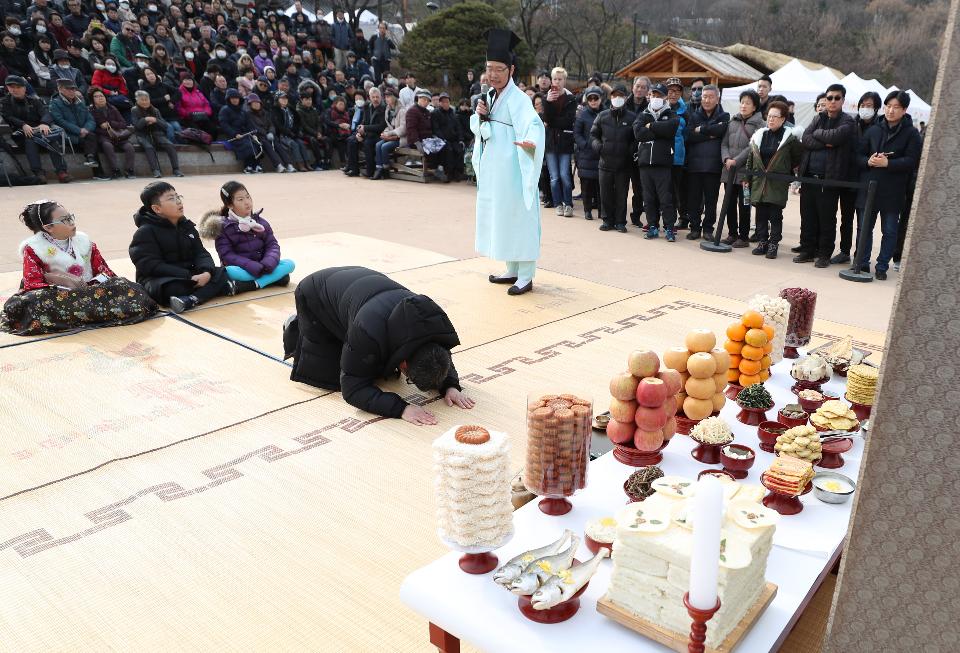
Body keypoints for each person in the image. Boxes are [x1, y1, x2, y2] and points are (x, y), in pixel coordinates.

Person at [282, 266, 474, 425]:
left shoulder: (431, 320)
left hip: (361, 288)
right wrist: (402, 409)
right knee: (331, 377)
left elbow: (439, 354)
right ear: (405, 364)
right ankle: (295, 325)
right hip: (316, 294)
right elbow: (352, 389)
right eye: (409, 378)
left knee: (376, 366)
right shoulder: (368, 330)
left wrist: (450, 386)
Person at [2, 199, 156, 336]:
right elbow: (31, 284)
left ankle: (79, 314)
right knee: (32, 302)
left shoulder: (84, 242)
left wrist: (91, 284)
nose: (71, 222)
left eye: (71, 217)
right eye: (65, 220)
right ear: (49, 227)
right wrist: (58, 281)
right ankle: (94, 312)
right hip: (60, 297)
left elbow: (105, 271)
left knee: (127, 287)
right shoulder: (34, 248)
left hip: (92, 292)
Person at [472, 30, 544, 296]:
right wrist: (481, 118)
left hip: (514, 168)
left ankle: (526, 275)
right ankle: (511, 268)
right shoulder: (490, 96)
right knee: (503, 217)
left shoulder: (519, 99)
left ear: (511, 70)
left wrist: (531, 143)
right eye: (489, 69)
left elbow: (533, 125)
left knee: (520, 218)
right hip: (496, 170)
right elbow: (485, 130)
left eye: (499, 69)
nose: (493, 74)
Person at [130, 181, 255, 313]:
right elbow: (150, 265)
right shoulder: (145, 232)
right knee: (170, 288)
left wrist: (206, 272)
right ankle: (218, 289)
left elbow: (201, 253)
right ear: (157, 209)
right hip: (162, 279)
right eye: (171, 199)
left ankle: (191, 299)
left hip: (192, 276)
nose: (178, 201)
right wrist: (188, 276)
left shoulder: (187, 226)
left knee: (222, 272)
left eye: (178, 197)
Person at [853, 90, 922, 280]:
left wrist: (889, 163)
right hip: (869, 186)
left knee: (890, 230)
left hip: (894, 190)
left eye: (896, 107)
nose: (891, 110)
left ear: (904, 110)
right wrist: (868, 161)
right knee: (863, 228)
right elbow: (857, 156)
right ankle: (862, 262)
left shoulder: (912, 134)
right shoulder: (873, 129)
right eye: (888, 106)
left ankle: (882, 266)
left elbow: (912, 161)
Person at [795, 83, 856, 267]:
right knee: (807, 217)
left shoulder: (848, 121)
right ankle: (807, 250)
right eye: (829, 98)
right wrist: (825, 140)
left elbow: (836, 137)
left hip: (829, 179)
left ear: (843, 100)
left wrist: (819, 135)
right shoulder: (818, 118)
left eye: (837, 98)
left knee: (827, 219)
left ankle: (824, 254)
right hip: (808, 176)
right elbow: (806, 138)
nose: (832, 101)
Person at [198, 180, 296, 290]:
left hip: (263, 265)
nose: (247, 202)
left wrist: (269, 262)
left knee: (289, 264)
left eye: (248, 197)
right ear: (230, 204)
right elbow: (227, 255)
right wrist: (250, 265)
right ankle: (270, 279)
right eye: (240, 199)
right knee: (229, 271)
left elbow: (272, 244)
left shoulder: (261, 222)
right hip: (242, 269)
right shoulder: (223, 227)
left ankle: (253, 284)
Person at [745, 100, 803, 260]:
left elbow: (797, 158)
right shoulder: (759, 135)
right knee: (760, 214)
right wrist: (746, 177)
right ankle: (762, 241)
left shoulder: (789, 138)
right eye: (769, 116)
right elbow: (751, 157)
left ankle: (773, 244)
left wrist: (786, 171)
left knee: (775, 215)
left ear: (783, 119)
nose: (771, 119)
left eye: (775, 116)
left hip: (777, 183)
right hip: (759, 182)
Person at [833, 91, 882, 265]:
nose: (865, 109)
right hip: (848, 178)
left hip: (867, 181)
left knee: (864, 223)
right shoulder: (851, 123)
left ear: (876, 108)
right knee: (846, 219)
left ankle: (860, 257)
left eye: (869, 106)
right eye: (863, 105)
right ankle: (844, 251)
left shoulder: (880, 127)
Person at [1, 75, 71, 183]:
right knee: (30, 141)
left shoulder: (34, 100)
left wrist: (44, 123)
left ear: (24, 88)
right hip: (20, 133)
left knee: (51, 139)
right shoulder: (5, 101)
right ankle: (38, 173)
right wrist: (23, 124)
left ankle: (61, 171)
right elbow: (8, 116)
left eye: (18, 87)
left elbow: (46, 113)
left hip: (39, 131)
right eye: (11, 87)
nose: (14, 90)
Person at [633, 83, 679, 241]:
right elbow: (638, 134)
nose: (656, 98)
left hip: (663, 164)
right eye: (654, 95)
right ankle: (652, 226)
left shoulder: (671, 114)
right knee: (649, 198)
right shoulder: (643, 114)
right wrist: (659, 132)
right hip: (645, 163)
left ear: (665, 97)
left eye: (659, 95)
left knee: (665, 198)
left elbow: (671, 129)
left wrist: (651, 126)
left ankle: (669, 228)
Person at [719, 89, 765, 246]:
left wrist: (736, 161)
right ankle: (732, 233)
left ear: (755, 107)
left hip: (746, 174)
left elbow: (753, 147)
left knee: (744, 203)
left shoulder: (760, 125)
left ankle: (743, 237)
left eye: (748, 103)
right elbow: (724, 143)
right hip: (729, 171)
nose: (744, 105)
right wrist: (726, 158)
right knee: (729, 203)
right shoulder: (733, 121)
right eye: (742, 102)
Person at [683, 84, 729, 239]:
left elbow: (721, 131)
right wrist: (711, 133)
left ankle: (708, 229)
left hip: (713, 166)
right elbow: (689, 136)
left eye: (710, 97)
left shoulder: (724, 116)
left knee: (711, 200)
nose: (707, 100)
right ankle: (694, 228)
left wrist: (701, 130)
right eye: (704, 97)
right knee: (693, 200)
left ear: (717, 99)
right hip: (694, 165)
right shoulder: (694, 116)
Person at [590, 83, 635, 233]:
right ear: (611, 97)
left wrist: (629, 151)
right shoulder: (602, 116)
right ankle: (607, 220)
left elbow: (636, 139)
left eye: (620, 96)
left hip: (623, 164)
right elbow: (593, 135)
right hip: (605, 163)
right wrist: (599, 147)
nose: (617, 98)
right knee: (605, 193)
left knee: (622, 194)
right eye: (614, 95)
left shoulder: (632, 117)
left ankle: (620, 222)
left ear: (625, 98)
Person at [543, 66, 577, 216]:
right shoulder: (547, 98)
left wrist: (552, 122)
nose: (557, 81)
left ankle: (568, 203)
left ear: (564, 81)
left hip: (565, 142)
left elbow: (568, 121)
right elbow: (547, 119)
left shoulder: (571, 99)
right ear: (552, 80)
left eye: (560, 79)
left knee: (565, 175)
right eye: (555, 79)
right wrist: (548, 103)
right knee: (554, 177)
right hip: (550, 142)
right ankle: (558, 204)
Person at [48, 77, 100, 168]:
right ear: (59, 89)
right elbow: (60, 121)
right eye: (68, 89)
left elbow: (90, 119)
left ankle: (91, 159)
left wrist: (86, 129)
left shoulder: (80, 102)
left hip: (84, 133)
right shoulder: (55, 103)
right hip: (67, 135)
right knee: (91, 140)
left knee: (92, 137)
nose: (71, 91)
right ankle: (95, 167)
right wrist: (79, 130)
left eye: (73, 89)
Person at [131, 89, 182, 178]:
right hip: (142, 135)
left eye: (146, 99)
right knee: (149, 147)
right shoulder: (134, 110)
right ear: (137, 100)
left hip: (157, 133)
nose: (144, 102)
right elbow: (137, 126)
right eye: (142, 100)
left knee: (170, 145)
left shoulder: (155, 110)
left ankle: (176, 169)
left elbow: (165, 125)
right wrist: (145, 120)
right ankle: (155, 170)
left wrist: (155, 120)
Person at [90, 86, 136, 178]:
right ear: (92, 99)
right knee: (107, 145)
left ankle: (129, 170)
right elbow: (92, 128)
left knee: (129, 147)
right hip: (104, 136)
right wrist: (101, 127)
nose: (100, 98)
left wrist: (111, 123)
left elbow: (123, 124)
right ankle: (115, 170)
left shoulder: (112, 108)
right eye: (96, 96)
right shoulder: (90, 111)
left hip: (118, 135)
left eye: (101, 96)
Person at [624, 76, 650, 227]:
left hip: (640, 152)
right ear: (632, 87)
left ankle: (636, 215)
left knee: (638, 189)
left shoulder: (649, 107)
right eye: (637, 86)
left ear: (647, 90)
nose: (639, 89)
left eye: (643, 87)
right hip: (622, 150)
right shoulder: (623, 104)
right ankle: (619, 215)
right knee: (620, 186)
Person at [574, 86, 602, 221]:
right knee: (586, 186)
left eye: (596, 98)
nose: (593, 101)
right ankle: (587, 210)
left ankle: (602, 211)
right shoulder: (582, 115)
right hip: (586, 155)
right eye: (590, 98)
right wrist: (584, 145)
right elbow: (577, 133)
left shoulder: (605, 113)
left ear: (601, 99)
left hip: (602, 154)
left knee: (601, 187)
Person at [345, 85, 386, 177]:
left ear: (381, 97)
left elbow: (381, 126)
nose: (375, 99)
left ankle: (370, 171)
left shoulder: (383, 108)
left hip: (378, 134)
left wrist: (365, 128)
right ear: (369, 98)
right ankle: (353, 168)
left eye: (377, 97)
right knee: (351, 140)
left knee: (368, 143)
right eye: (373, 97)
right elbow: (363, 121)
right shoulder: (367, 106)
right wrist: (359, 132)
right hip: (367, 133)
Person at [245, 92, 291, 173]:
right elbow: (254, 127)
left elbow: (271, 125)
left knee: (277, 143)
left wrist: (271, 132)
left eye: (258, 102)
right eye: (254, 103)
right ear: (250, 104)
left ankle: (289, 164)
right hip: (258, 136)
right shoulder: (248, 114)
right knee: (267, 144)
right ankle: (278, 165)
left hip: (269, 135)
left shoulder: (265, 113)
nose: (256, 104)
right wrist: (265, 134)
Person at [665, 77, 688, 229]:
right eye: (670, 90)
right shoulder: (659, 107)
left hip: (678, 158)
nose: (673, 94)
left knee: (676, 191)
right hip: (661, 155)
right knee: (663, 189)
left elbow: (687, 134)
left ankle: (675, 220)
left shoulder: (686, 111)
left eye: (677, 91)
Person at [372, 87, 407, 180]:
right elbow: (389, 125)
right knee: (378, 144)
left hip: (401, 138)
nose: (387, 98)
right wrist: (385, 132)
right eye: (386, 96)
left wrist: (390, 133)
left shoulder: (402, 110)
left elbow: (403, 128)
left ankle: (386, 169)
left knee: (384, 146)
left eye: (389, 96)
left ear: (395, 97)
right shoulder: (387, 109)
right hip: (392, 136)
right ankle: (379, 168)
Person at [272, 90, 311, 171]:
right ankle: (300, 165)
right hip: (282, 135)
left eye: (286, 98)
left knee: (301, 143)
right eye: (282, 98)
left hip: (293, 134)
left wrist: (295, 131)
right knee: (294, 144)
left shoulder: (291, 109)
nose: (284, 100)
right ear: (277, 99)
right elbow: (278, 125)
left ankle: (307, 163)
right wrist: (289, 133)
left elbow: (297, 121)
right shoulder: (275, 110)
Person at [431, 91, 464, 181]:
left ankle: (457, 173)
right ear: (440, 103)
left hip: (454, 139)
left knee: (459, 149)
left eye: (447, 101)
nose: (445, 103)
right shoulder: (435, 113)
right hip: (442, 140)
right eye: (443, 102)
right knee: (448, 150)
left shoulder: (453, 114)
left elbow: (459, 128)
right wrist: (443, 139)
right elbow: (436, 129)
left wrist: (461, 139)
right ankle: (448, 173)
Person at [296, 92, 331, 170]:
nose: (309, 101)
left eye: (310, 99)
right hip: (304, 133)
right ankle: (319, 161)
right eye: (306, 100)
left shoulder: (313, 110)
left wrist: (319, 132)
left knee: (327, 140)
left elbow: (318, 123)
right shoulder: (299, 111)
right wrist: (316, 134)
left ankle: (326, 161)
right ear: (301, 100)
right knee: (313, 140)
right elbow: (304, 126)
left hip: (316, 133)